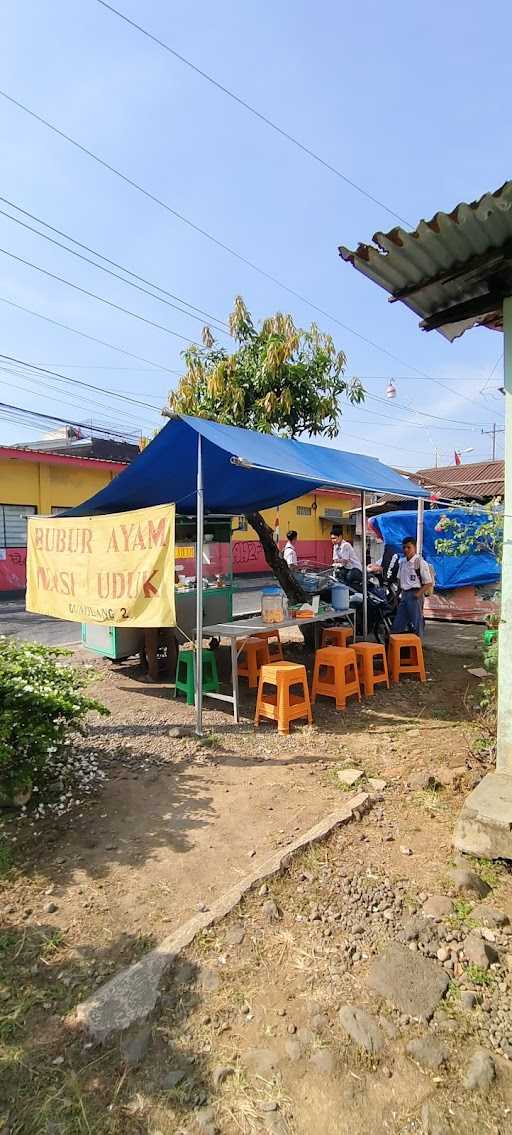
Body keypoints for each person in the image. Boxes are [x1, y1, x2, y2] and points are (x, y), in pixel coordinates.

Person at [392, 536, 432, 638]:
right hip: (404, 595)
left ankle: (418, 646)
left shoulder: (420, 562)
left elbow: (428, 583)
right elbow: (400, 580)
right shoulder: (402, 562)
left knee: (417, 622)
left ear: (414, 548)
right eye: (404, 547)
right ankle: (396, 645)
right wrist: (397, 596)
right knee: (398, 622)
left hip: (415, 594)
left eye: (408, 547)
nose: (406, 550)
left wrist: (417, 595)